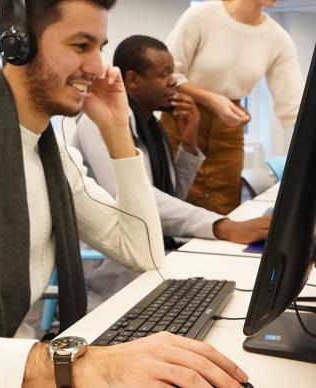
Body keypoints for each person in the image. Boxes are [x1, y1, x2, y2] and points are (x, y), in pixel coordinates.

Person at [0, 1, 249, 387]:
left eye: (99, 48)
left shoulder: (55, 158)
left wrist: (116, 132)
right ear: (17, 42)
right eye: (80, 45)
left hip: (16, 363)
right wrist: (77, 366)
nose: (96, 67)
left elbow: (143, 249)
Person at [73, 34, 270, 308]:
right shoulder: (98, 124)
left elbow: (171, 196)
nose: (173, 82)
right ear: (132, 80)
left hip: (158, 252)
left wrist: (189, 144)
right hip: (117, 273)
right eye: (164, 74)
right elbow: (139, 202)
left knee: (235, 290)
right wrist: (223, 226)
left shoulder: (152, 125)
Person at [162, 0, 305, 214]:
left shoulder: (278, 38)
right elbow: (167, 75)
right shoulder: (201, 16)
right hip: (182, 121)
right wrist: (211, 100)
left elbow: (294, 106)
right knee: (177, 206)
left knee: (225, 212)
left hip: (229, 131)